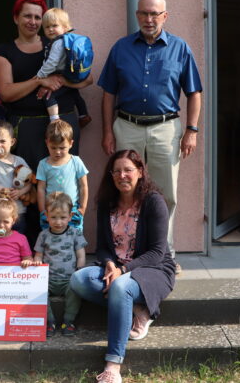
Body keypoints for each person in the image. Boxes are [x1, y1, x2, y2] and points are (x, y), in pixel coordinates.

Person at [98, 0, 203, 259]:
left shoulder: (180, 49)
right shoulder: (120, 48)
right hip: (127, 126)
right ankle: (127, 253)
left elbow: (194, 93)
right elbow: (108, 93)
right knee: (125, 190)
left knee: (165, 195)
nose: (149, 19)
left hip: (166, 130)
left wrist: (191, 130)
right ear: (137, 15)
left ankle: (163, 255)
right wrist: (108, 130)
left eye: (155, 13)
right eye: (144, 13)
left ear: (165, 16)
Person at [70, 150, 177, 383]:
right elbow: (103, 247)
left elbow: (157, 253)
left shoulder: (154, 202)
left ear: (140, 172)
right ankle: (137, 308)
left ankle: (113, 365)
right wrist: (109, 263)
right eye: (117, 171)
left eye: (128, 170)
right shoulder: (107, 203)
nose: (122, 175)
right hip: (117, 269)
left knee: (120, 287)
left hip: (153, 270)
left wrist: (123, 271)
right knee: (78, 280)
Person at [0, 0, 93, 172]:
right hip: (25, 129)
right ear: (16, 18)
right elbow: (6, 93)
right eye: (27, 16)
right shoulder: (5, 51)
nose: (33, 22)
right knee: (28, 187)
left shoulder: (57, 43)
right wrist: (39, 81)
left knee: (63, 187)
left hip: (62, 127)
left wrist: (62, 81)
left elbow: (88, 79)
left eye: (37, 17)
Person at [33, 191, 87, 337]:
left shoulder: (75, 233)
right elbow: (38, 254)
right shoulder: (43, 235)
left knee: (75, 292)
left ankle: (68, 321)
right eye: (53, 217)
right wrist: (37, 261)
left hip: (68, 279)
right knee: (38, 292)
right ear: (46, 216)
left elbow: (81, 254)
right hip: (48, 279)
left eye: (63, 217)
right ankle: (49, 321)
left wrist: (79, 270)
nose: (58, 222)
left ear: (70, 216)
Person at [36, 8, 92, 127]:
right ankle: (83, 114)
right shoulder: (65, 41)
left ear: (65, 27)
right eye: (47, 27)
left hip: (63, 74)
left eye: (54, 25)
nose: (50, 29)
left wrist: (40, 76)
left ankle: (54, 121)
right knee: (74, 93)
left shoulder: (57, 43)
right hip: (73, 74)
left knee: (48, 94)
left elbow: (51, 63)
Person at [36, 119, 88, 230]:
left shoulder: (76, 162)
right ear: (47, 143)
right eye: (53, 148)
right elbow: (41, 188)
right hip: (51, 210)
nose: (57, 152)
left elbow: (83, 186)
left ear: (70, 143)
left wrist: (82, 208)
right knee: (51, 241)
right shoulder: (43, 164)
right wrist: (42, 211)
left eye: (62, 148)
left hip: (72, 210)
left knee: (74, 242)